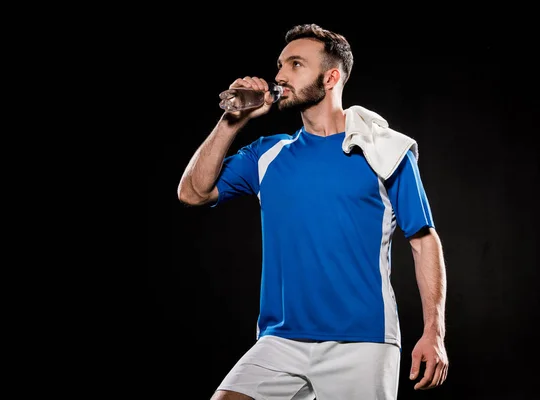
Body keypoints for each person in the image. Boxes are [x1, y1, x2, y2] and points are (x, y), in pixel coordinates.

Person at [177, 23, 448, 400]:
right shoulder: (267, 154)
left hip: (362, 340)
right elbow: (192, 193)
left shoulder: (385, 153)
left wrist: (434, 331)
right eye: (280, 64)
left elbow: (423, 241)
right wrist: (232, 120)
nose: (279, 76)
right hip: (280, 339)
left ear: (331, 77)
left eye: (295, 64)